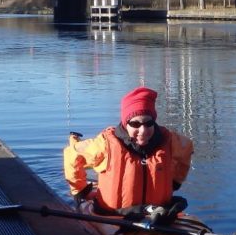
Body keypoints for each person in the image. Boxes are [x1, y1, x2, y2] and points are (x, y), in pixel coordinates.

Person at [63, 86, 194, 218]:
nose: (143, 130)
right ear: (126, 124)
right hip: (114, 215)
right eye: (135, 124)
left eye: (149, 123)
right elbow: (72, 154)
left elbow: (186, 149)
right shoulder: (105, 144)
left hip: (158, 214)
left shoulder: (170, 141)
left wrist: (174, 182)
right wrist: (81, 191)